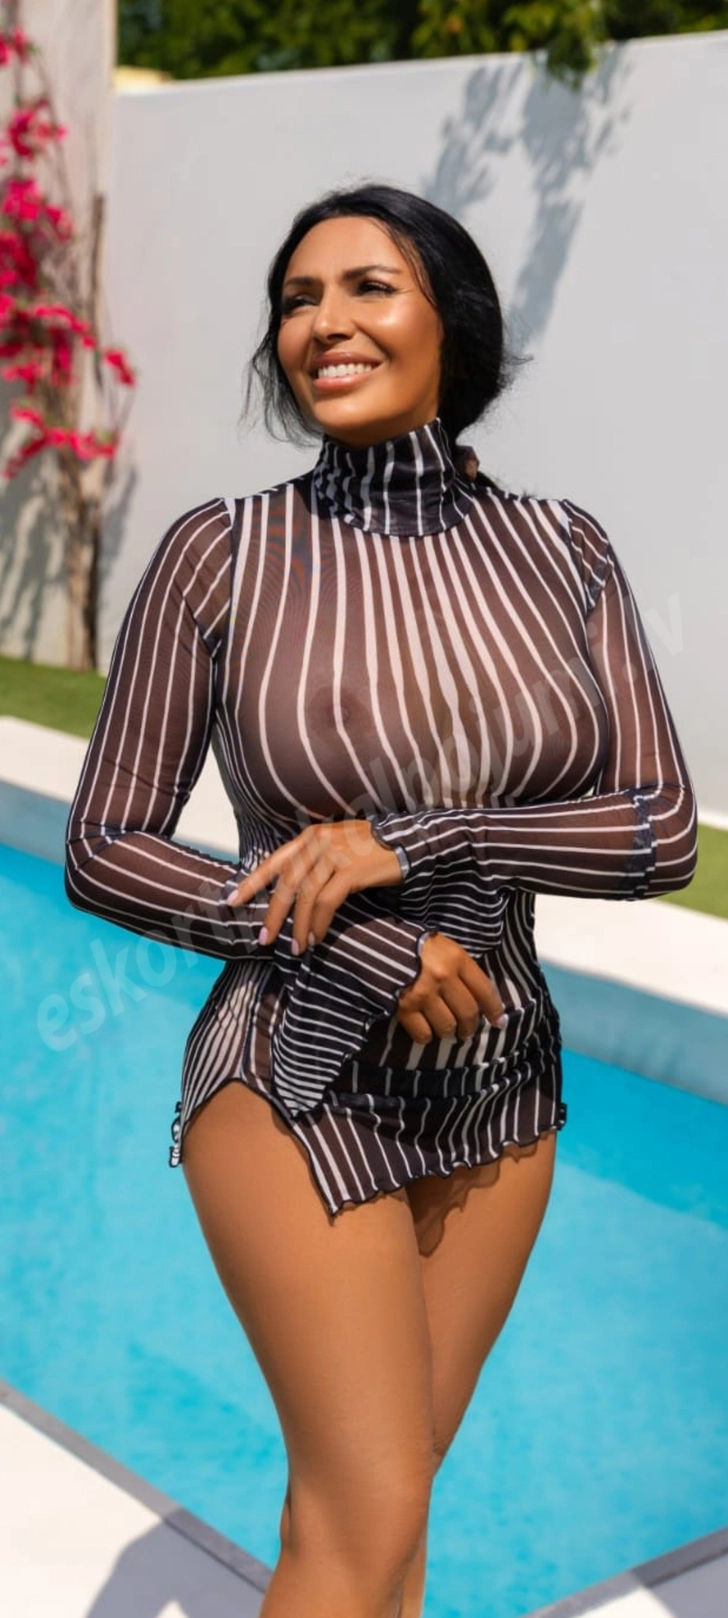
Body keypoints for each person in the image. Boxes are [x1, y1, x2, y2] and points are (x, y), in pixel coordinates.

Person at [65, 183, 697, 1618]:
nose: (324, 323)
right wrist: (349, 937)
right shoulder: (221, 553)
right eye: (298, 299)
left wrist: (424, 838)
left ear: (450, 322)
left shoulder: (566, 550)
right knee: (367, 1519)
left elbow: (662, 828)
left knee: (384, 1513)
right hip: (295, 1074)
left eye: (367, 287)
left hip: (501, 1083)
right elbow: (104, 843)